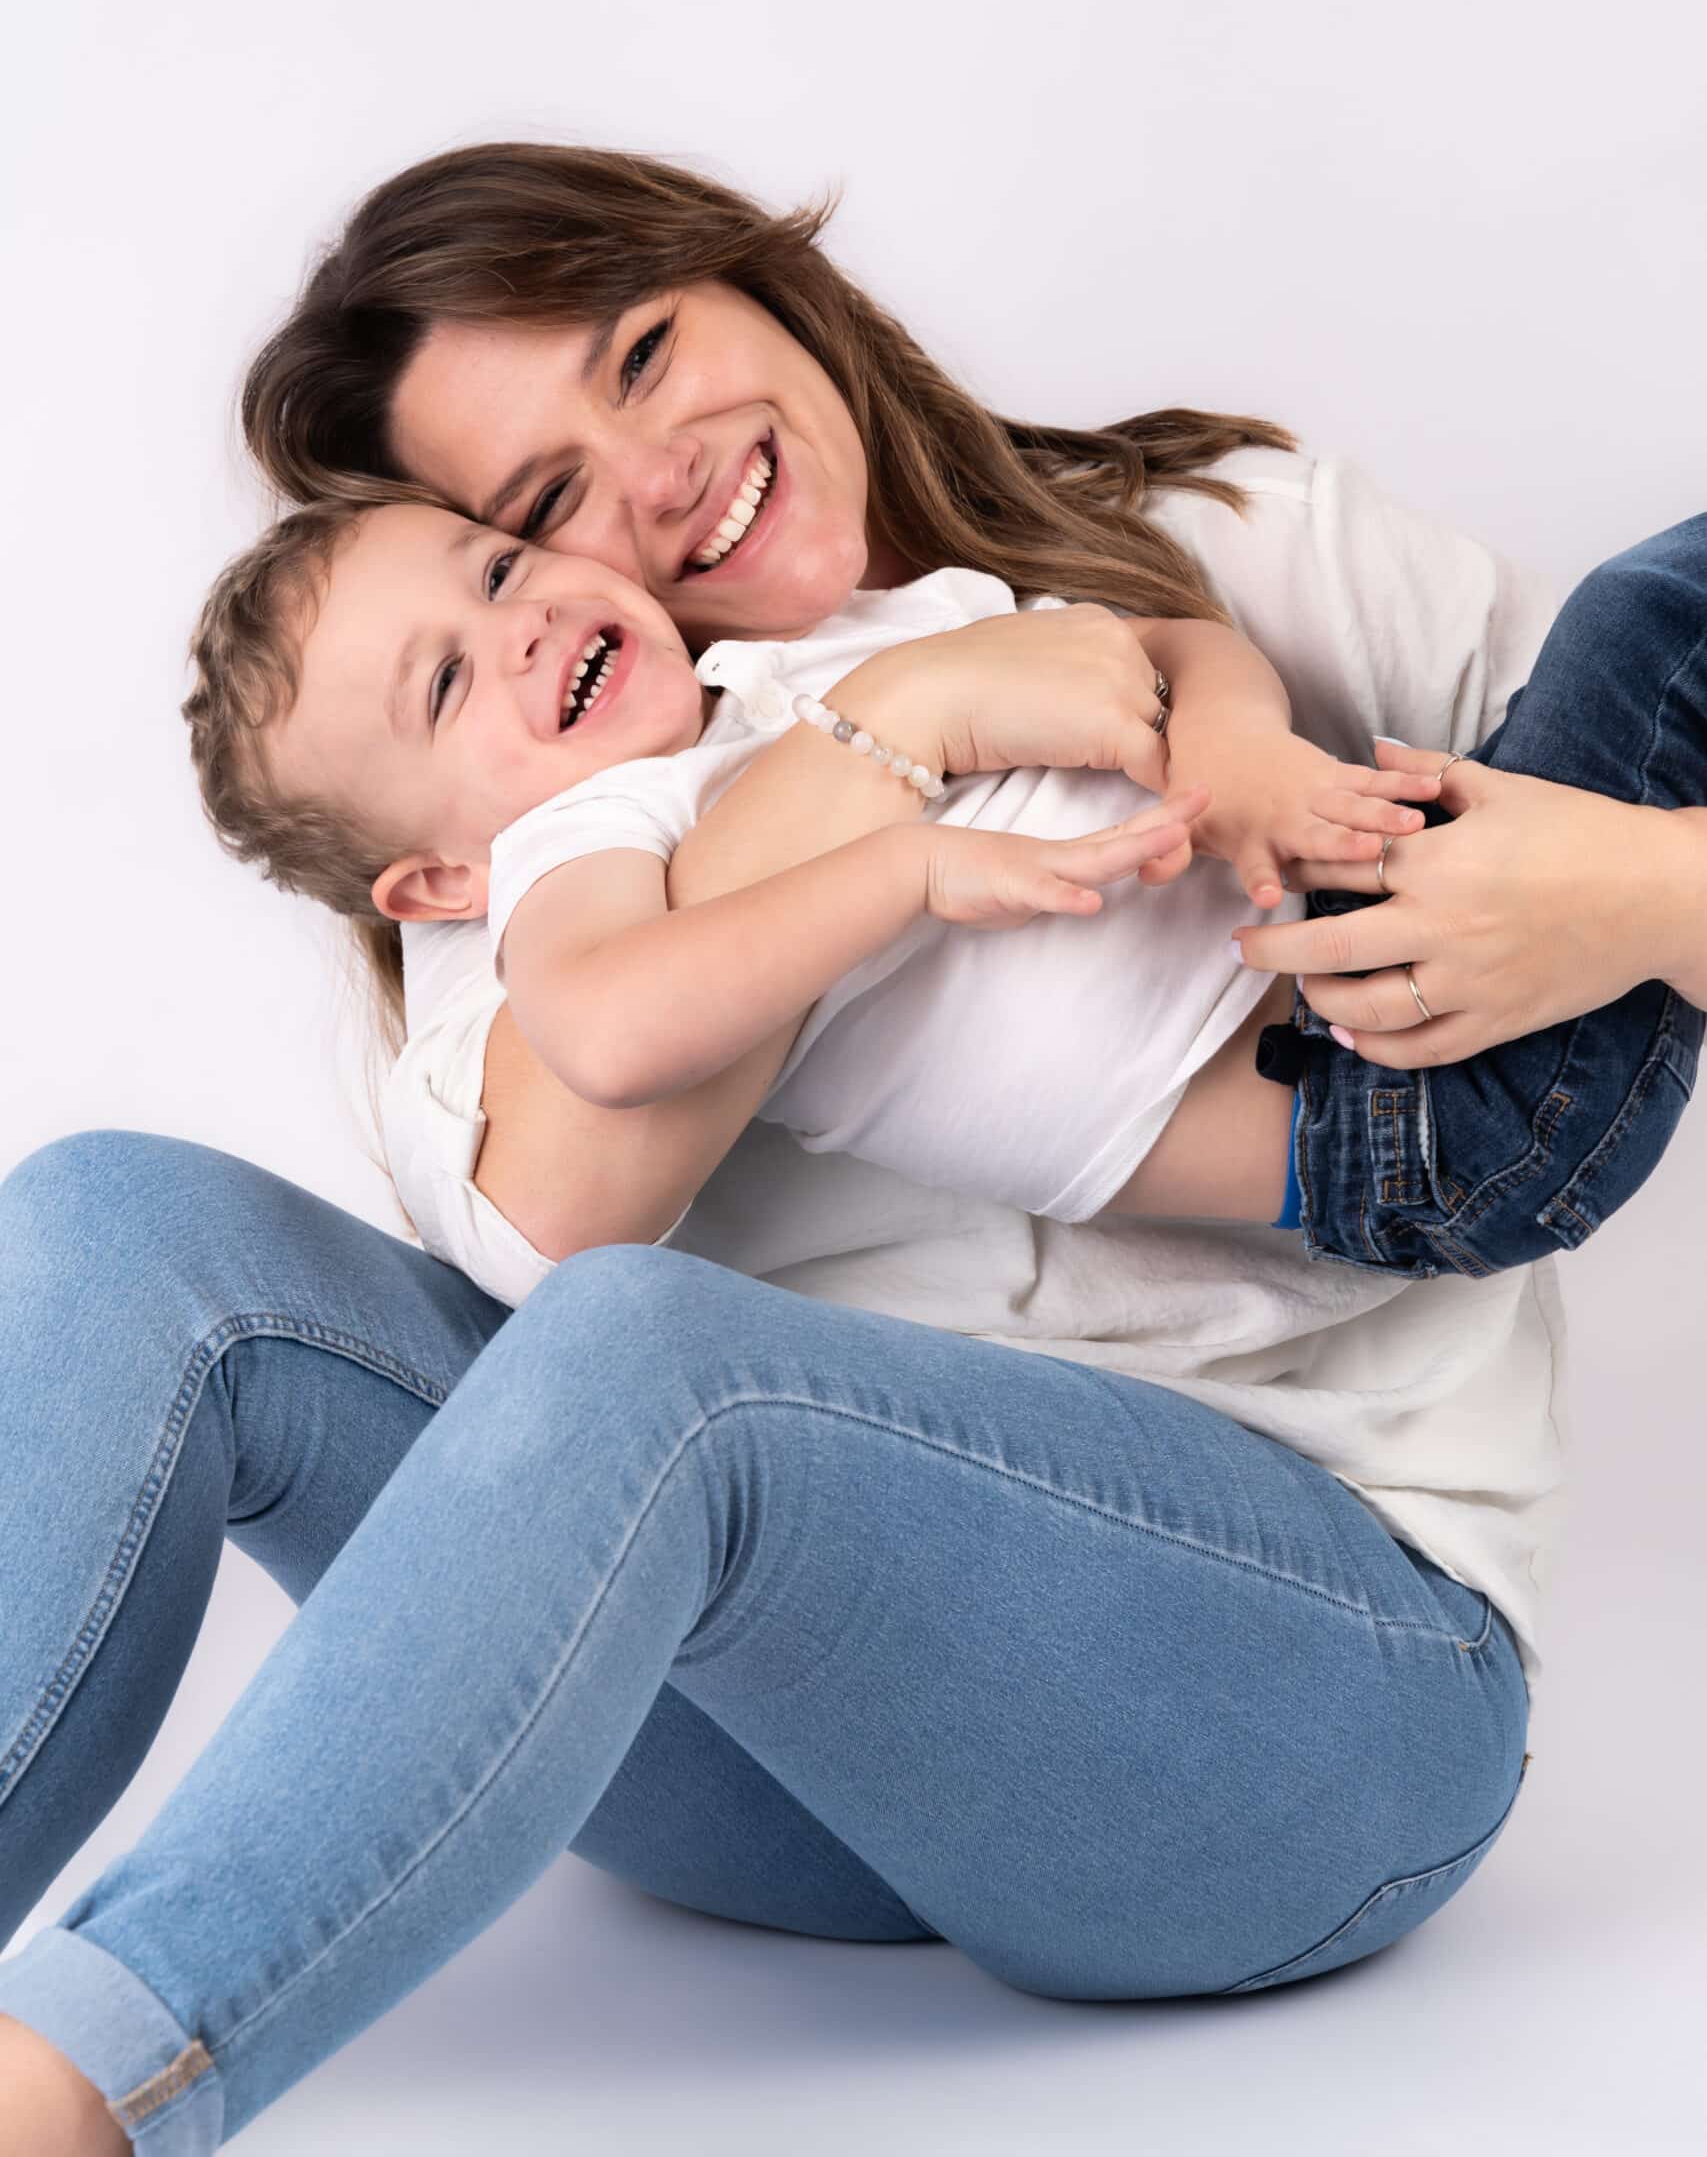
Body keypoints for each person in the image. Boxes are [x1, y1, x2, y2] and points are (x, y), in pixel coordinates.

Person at [2, 142, 1703, 2155]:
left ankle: (67, 2098)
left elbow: (1626, 737)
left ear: (753, 280)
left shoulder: (1219, 545)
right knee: (124, 1215)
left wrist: (1655, 893)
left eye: (643, 351)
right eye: (533, 503)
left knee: (658, 1354)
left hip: (1300, 1715)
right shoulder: (561, 817)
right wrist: (891, 739)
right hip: (771, 1766)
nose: (644, 484)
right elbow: (567, 1181)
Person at [182, 489, 1701, 1276]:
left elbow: (1154, 642)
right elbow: (611, 1035)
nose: (511, 625)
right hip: (1419, 1110)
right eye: (442, 685)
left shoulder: (814, 654)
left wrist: (1233, 739)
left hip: (1422, 943)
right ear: (438, 880)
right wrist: (899, 863)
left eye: (499, 567)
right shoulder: (589, 847)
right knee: (1656, 622)